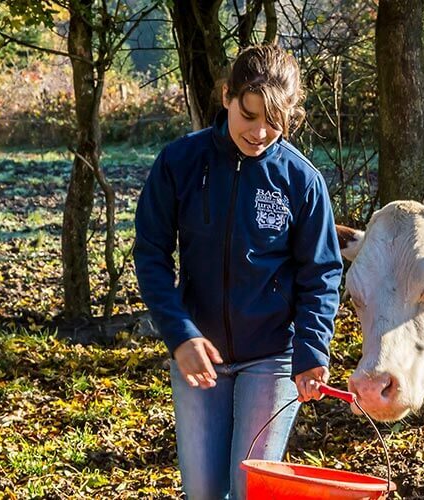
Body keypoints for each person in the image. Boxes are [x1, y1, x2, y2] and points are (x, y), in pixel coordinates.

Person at [133, 45, 342, 499]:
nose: (260, 132)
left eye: (274, 122)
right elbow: (150, 255)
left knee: (252, 493)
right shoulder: (179, 162)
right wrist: (180, 334)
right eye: (249, 115)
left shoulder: (301, 181)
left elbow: (321, 273)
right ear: (227, 95)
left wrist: (312, 350)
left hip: (272, 358)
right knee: (204, 493)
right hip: (198, 358)